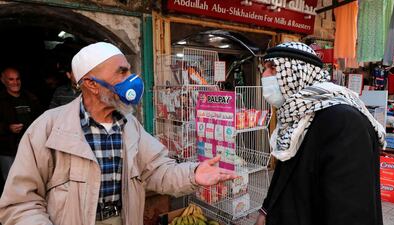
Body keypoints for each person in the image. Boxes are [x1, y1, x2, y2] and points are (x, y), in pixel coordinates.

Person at [0, 42, 236, 225]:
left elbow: (158, 171)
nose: (132, 79)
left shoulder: (130, 126)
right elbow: (21, 203)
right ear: (92, 84)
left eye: (129, 71)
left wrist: (194, 174)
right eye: (122, 72)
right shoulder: (48, 129)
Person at [256, 42, 385, 225]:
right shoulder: (297, 116)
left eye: (273, 68)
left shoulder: (343, 120)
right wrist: (266, 210)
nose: (265, 74)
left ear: (299, 73)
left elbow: (351, 211)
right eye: (265, 67)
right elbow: (286, 174)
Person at [0, 67, 41, 182]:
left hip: (31, 149)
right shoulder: (1, 100)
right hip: (9, 150)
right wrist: (8, 128)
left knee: (32, 182)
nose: (15, 82)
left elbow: (41, 121)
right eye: (11, 79)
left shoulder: (31, 98)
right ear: (3, 80)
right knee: (11, 183)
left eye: (18, 79)